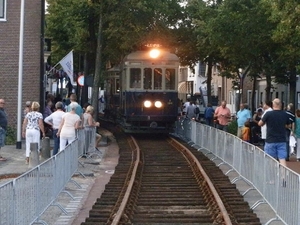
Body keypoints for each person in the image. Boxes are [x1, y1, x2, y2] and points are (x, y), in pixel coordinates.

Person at [258, 98, 291, 167]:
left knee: (270, 159)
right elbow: (289, 125)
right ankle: (283, 176)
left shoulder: (268, 114)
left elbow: (260, 123)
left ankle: (271, 175)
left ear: (273, 105)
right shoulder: (285, 114)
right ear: (280, 105)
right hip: (281, 140)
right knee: (282, 159)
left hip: (270, 140)